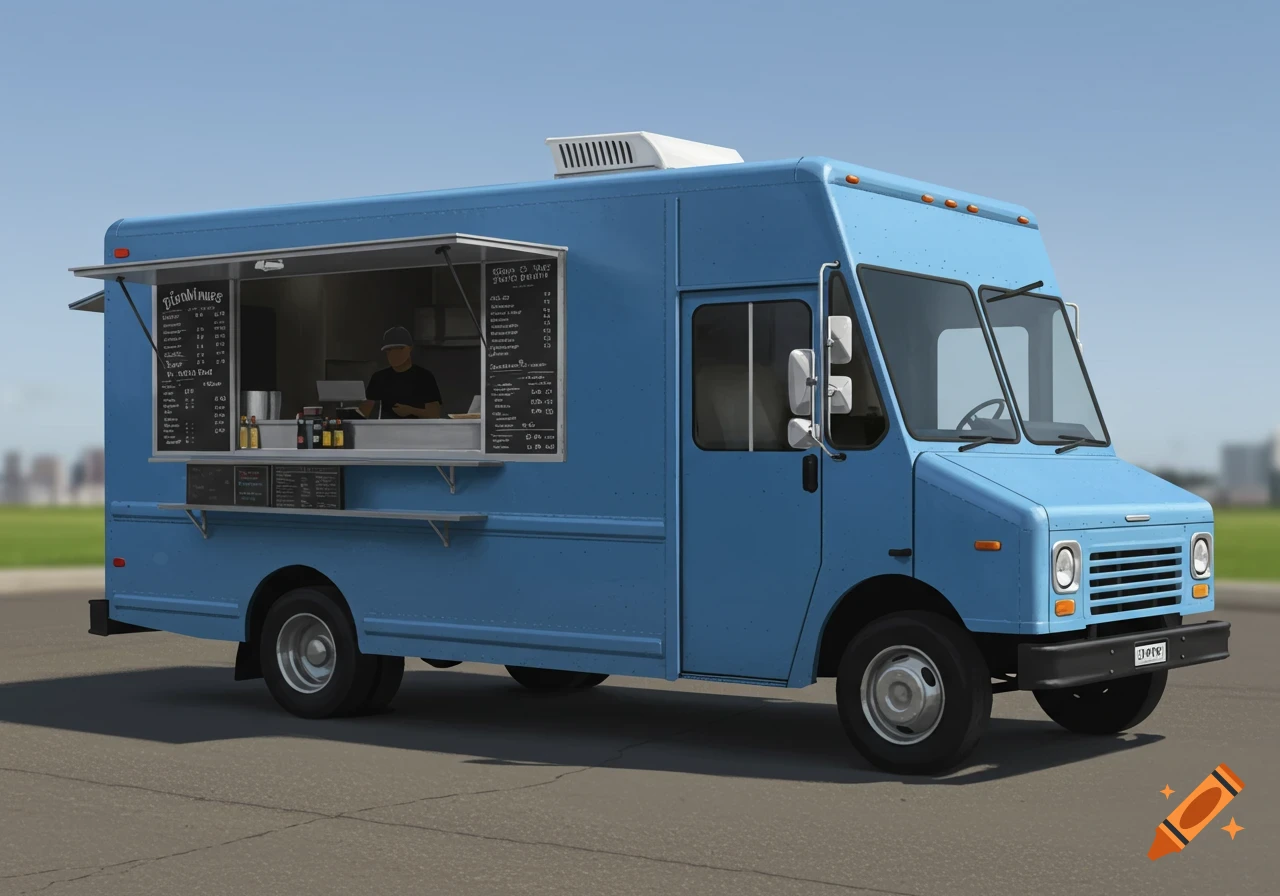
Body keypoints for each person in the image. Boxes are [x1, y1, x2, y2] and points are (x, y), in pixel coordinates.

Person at [360, 326, 442, 419]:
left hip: (417, 430)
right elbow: (364, 411)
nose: (393, 354)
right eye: (389, 350)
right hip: (385, 431)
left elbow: (434, 414)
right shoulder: (379, 378)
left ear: (410, 349)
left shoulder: (424, 377)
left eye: (399, 349)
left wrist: (410, 410)